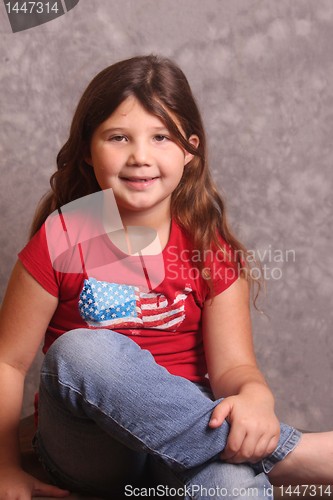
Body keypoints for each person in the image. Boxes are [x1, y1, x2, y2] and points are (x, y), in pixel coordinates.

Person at [0, 55, 332, 500]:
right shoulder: (64, 236)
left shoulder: (206, 247)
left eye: (161, 137)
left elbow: (234, 367)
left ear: (189, 151)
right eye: (118, 137)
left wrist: (255, 395)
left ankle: (249, 459)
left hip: (182, 449)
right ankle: (289, 456)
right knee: (81, 350)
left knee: (233, 486)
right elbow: (8, 364)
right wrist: (3, 469)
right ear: (87, 149)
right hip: (89, 452)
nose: (140, 156)